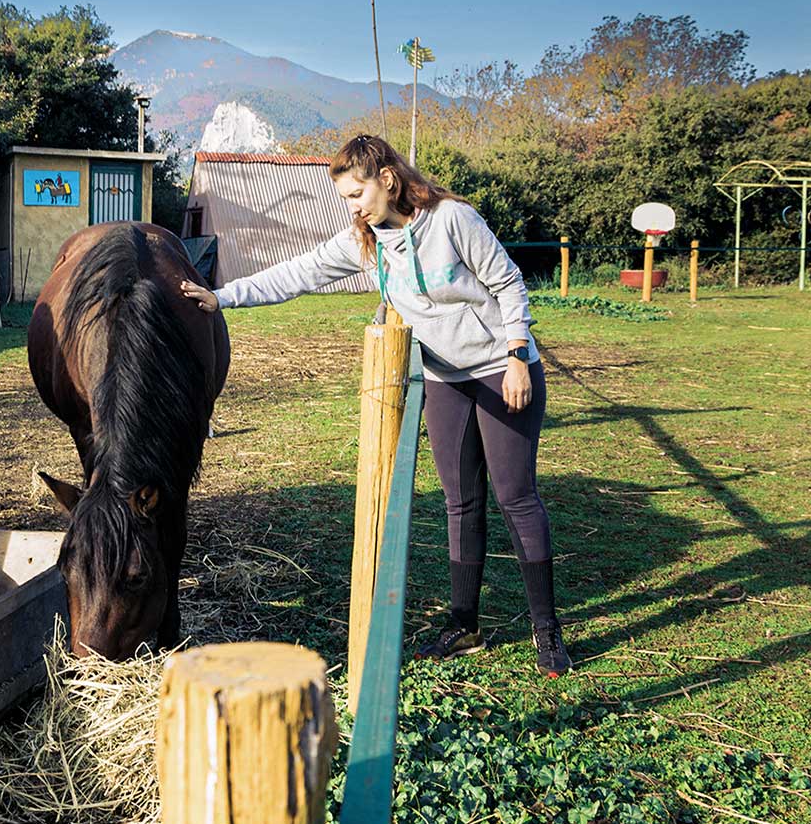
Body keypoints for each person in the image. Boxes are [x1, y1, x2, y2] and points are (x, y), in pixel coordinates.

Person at [178, 134, 571, 675]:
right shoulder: (369, 242)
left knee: (515, 497)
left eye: (357, 193)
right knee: (460, 503)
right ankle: (464, 625)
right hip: (444, 381)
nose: (353, 206)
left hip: (500, 370)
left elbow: (507, 283)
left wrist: (518, 356)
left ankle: (547, 632)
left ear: (387, 179)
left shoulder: (452, 219)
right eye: (346, 197)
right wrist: (221, 296)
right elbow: (297, 273)